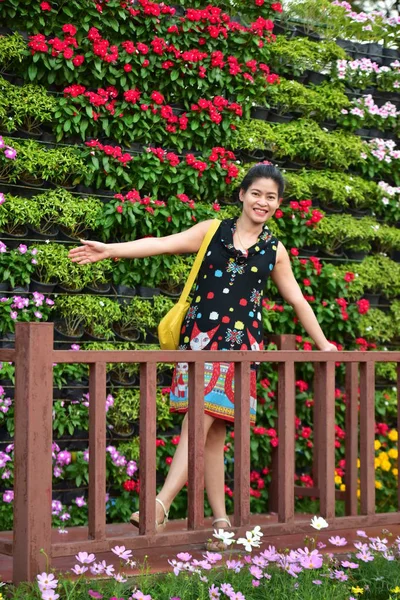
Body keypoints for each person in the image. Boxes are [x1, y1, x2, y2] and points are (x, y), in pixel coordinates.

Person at [68, 163, 337, 549]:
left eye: (271, 197)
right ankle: (223, 523)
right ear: (242, 195)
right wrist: (110, 250)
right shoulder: (212, 231)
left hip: (241, 352)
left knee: (205, 421)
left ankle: (160, 505)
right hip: (198, 346)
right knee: (211, 436)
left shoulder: (274, 252)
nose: (263, 201)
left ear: (278, 205)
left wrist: (324, 343)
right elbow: (161, 243)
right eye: (257, 193)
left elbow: (297, 299)